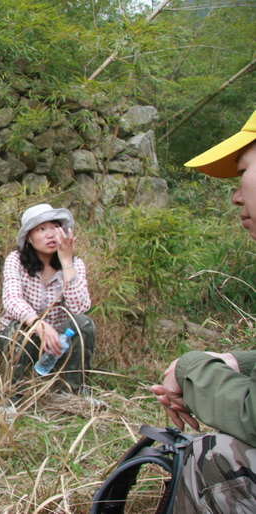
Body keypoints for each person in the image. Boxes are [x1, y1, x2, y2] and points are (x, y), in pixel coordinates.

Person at [150, 109, 256, 513]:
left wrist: (192, 368)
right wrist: (234, 361)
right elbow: (16, 304)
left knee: (215, 455)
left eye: (243, 169)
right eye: (41, 228)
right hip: (34, 334)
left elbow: (79, 301)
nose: (235, 195)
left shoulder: (72, 261)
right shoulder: (17, 263)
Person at [0, 203, 96, 406]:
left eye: (54, 227)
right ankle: (11, 397)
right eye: (41, 229)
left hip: (58, 344)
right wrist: (39, 325)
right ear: (29, 239)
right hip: (25, 339)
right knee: (16, 329)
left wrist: (66, 261)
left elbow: (80, 308)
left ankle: (75, 392)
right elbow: (12, 300)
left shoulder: (75, 264)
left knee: (83, 323)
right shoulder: (16, 260)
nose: (50, 234)